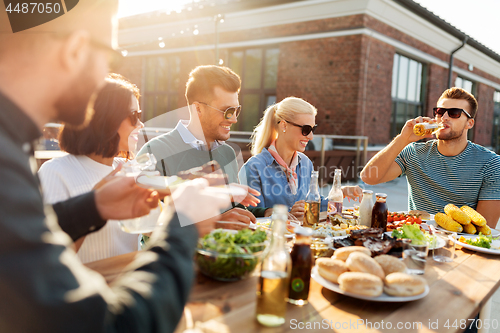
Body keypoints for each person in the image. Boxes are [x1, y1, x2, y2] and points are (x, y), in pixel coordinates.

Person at [0, 1, 230, 332]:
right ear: (76, 50)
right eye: (110, 55)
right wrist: (182, 226)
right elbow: (111, 326)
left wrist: (93, 207)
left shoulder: (13, 145)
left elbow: (19, 252)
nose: (106, 75)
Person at [38, 74, 145, 263]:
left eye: (140, 115)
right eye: (133, 116)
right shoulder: (55, 173)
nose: (140, 124)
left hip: (128, 285)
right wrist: (94, 206)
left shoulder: (129, 170)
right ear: (106, 119)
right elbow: (49, 260)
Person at [137, 65, 265, 222]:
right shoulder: (154, 152)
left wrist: (265, 213)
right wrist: (217, 223)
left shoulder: (228, 153)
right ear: (198, 108)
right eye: (227, 111)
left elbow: (232, 209)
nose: (234, 119)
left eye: (236, 110)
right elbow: (147, 224)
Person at [361, 87, 500, 227]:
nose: (444, 118)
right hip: (416, 239)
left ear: (469, 123)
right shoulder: (414, 152)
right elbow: (369, 177)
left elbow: (486, 229)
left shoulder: (491, 164)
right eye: (440, 112)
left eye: (454, 113)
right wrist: (403, 139)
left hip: (458, 244)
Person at [239, 97, 362, 220]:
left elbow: (313, 203)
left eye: (313, 129)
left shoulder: (306, 163)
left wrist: (340, 193)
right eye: (306, 129)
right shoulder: (254, 167)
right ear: (283, 126)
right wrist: (280, 213)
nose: (311, 136)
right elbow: (249, 212)